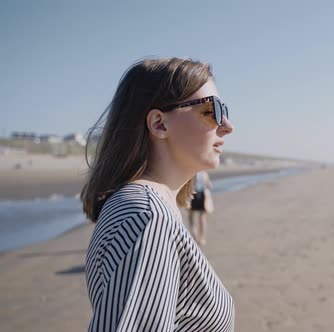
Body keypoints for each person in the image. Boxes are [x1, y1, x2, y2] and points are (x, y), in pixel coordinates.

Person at [81, 58, 235, 332]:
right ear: (159, 124)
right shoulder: (148, 216)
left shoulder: (145, 208)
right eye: (212, 111)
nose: (226, 125)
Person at [189, 170, 213, 246]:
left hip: (193, 195)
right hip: (202, 195)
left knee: (191, 217)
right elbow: (210, 186)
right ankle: (202, 238)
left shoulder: (192, 173)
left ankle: (194, 236)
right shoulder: (204, 174)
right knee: (202, 218)